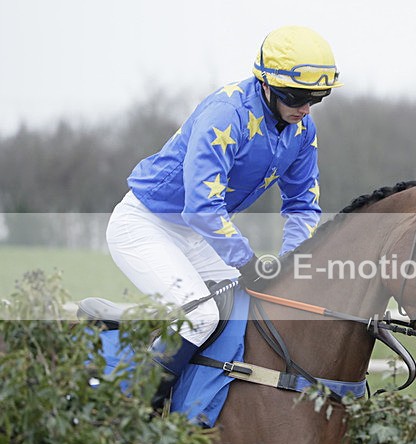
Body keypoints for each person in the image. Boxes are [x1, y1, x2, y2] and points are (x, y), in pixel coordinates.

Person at [105, 26, 342, 381]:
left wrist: (291, 263)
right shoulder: (226, 113)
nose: (305, 108)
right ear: (267, 83)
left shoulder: (303, 130)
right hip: (144, 226)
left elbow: (303, 206)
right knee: (201, 318)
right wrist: (247, 262)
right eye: (295, 96)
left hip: (194, 236)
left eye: (315, 98)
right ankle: (137, 407)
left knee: (251, 311)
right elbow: (202, 207)